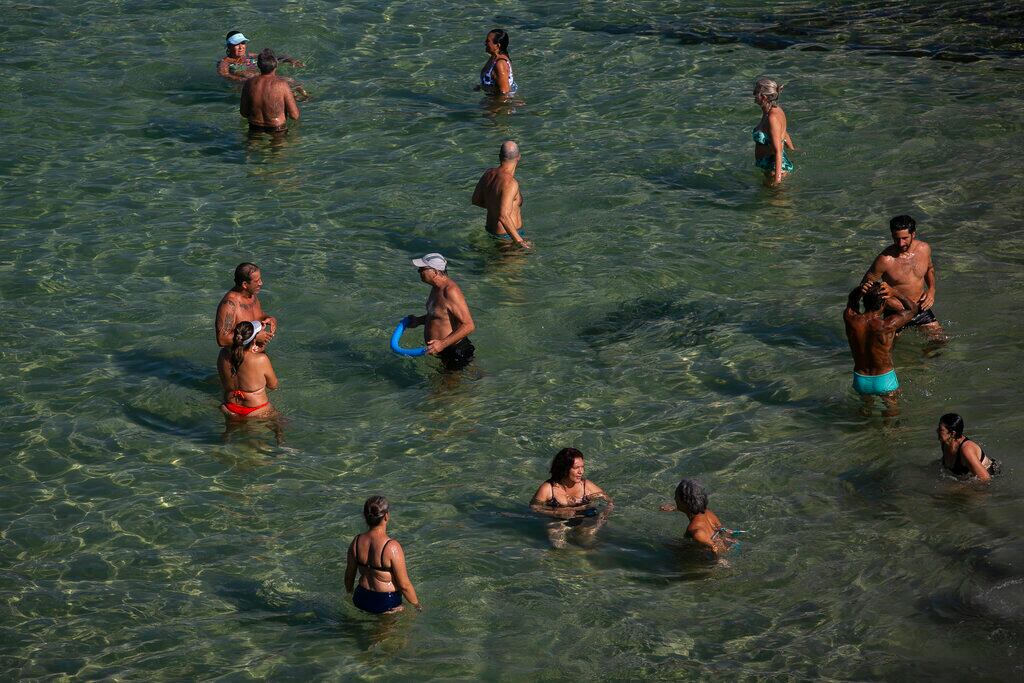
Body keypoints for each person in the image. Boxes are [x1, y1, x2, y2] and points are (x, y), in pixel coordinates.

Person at [862, 215, 943, 340]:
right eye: (896, 238)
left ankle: (922, 360)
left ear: (913, 234)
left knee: (939, 343)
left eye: (905, 238)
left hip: (920, 307)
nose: (900, 243)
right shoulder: (885, 260)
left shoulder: (924, 249)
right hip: (895, 312)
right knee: (889, 351)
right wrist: (888, 302)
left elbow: (930, 269)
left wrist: (932, 290)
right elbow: (866, 287)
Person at [844, 281, 917, 406]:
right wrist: (895, 292)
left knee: (864, 414)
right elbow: (913, 309)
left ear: (864, 300)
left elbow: (851, 300)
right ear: (883, 303)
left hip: (861, 379)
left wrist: (859, 290)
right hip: (884, 379)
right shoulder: (886, 325)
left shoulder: (851, 320)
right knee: (891, 415)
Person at [344, 496, 421, 614]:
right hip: (385, 603)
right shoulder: (391, 547)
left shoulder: (356, 541)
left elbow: (349, 577)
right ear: (386, 516)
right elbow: (404, 585)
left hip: (360, 598)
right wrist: (417, 606)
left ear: (365, 516)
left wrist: (350, 595)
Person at [403, 254, 476, 371]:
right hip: (443, 349)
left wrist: (442, 344)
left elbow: (469, 325)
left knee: (448, 389)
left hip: (454, 350)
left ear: (436, 272)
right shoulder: (436, 288)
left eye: (422, 269)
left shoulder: (450, 291)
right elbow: (439, 315)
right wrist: (418, 320)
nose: (418, 271)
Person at [530, 448, 612, 547]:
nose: (581, 471)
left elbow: (609, 503)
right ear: (564, 468)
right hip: (557, 520)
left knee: (587, 541)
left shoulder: (587, 486)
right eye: (576, 467)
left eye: (582, 467)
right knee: (558, 544)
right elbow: (534, 508)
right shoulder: (548, 488)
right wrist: (556, 513)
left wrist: (600, 521)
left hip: (585, 518)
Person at [472, 141, 529, 248]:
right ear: (519, 157)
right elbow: (503, 216)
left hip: (491, 231)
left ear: (499, 156)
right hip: (508, 238)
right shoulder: (510, 183)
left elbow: (476, 200)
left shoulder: (489, 174)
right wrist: (520, 242)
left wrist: (494, 208)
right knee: (512, 265)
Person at [217, 321, 278, 419]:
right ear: (254, 341)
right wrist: (263, 351)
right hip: (256, 410)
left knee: (229, 433)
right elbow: (273, 385)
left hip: (229, 407)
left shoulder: (223, 354)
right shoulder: (261, 359)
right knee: (281, 426)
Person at [659, 479, 736, 555]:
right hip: (723, 541)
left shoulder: (695, 530)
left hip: (708, 559)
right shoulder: (709, 513)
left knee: (664, 544)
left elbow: (713, 546)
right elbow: (722, 531)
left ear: (684, 503)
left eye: (676, 497)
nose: (675, 499)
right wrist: (675, 508)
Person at [215, 263, 277, 348]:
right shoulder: (229, 305)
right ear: (245, 284)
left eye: (260, 279)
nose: (261, 283)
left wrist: (269, 319)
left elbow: (257, 315)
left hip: (253, 355)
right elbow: (222, 340)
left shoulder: (251, 295)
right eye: (256, 281)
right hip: (237, 360)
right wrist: (254, 337)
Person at [240, 49, 300, 134]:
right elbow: (294, 116)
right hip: (277, 128)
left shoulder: (248, 83)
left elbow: (244, 113)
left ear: (258, 65)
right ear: (276, 65)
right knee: (278, 147)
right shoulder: (282, 85)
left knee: (253, 146)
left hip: (254, 126)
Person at [752, 77, 796, 185]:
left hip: (774, 171)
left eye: (756, 91)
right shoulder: (773, 111)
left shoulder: (772, 118)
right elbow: (783, 133)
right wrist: (793, 150)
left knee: (775, 201)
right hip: (769, 167)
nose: (753, 94)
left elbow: (778, 151)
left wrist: (777, 181)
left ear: (763, 97)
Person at [217, 30, 305, 83]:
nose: (241, 47)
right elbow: (225, 75)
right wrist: (242, 80)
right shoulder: (225, 62)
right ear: (229, 46)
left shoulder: (249, 56)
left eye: (243, 43)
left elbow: (272, 57)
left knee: (290, 80)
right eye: (236, 44)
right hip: (247, 85)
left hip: (264, 78)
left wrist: (290, 60)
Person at [936, 413, 999, 481]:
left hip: (990, 474)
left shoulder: (967, 450)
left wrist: (959, 488)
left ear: (952, 434)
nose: (937, 431)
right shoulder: (945, 442)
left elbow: (986, 479)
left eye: (940, 429)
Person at [477, 29, 517, 96]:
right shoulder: (494, 57)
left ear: (497, 46)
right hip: (491, 100)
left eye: (488, 41)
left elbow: (504, 93)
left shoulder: (500, 64)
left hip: (497, 103)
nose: (485, 43)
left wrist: (496, 106)